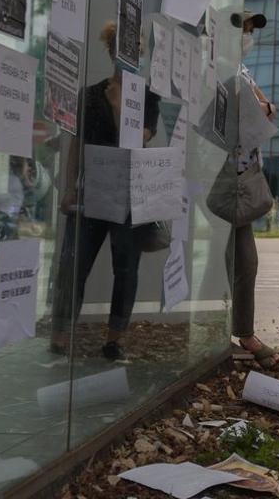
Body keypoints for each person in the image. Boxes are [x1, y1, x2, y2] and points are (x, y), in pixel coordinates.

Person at [52, 21, 161, 361]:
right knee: (75, 264)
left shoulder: (148, 97)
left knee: (126, 267)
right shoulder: (89, 94)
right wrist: (68, 187)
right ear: (114, 51)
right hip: (91, 192)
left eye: (141, 50)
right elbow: (77, 144)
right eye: (133, 48)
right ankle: (60, 335)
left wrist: (118, 105)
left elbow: (140, 139)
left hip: (129, 195)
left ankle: (114, 339)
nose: (138, 54)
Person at [227, 10, 279, 369]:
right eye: (244, 29)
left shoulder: (242, 71)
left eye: (250, 30)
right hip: (220, 179)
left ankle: (243, 331)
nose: (248, 35)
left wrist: (262, 108)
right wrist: (262, 108)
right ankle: (241, 333)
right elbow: (256, 111)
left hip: (241, 182)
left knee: (245, 261)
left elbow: (266, 110)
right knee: (239, 261)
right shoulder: (218, 70)